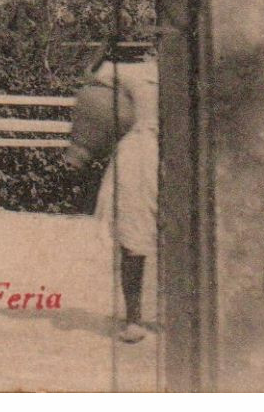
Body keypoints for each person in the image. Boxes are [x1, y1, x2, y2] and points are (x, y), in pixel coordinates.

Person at [69, 54, 160, 344]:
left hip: (186, 153)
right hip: (141, 154)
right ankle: (134, 318)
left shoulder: (198, 66)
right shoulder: (129, 70)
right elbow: (90, 86)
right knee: (132, 234)